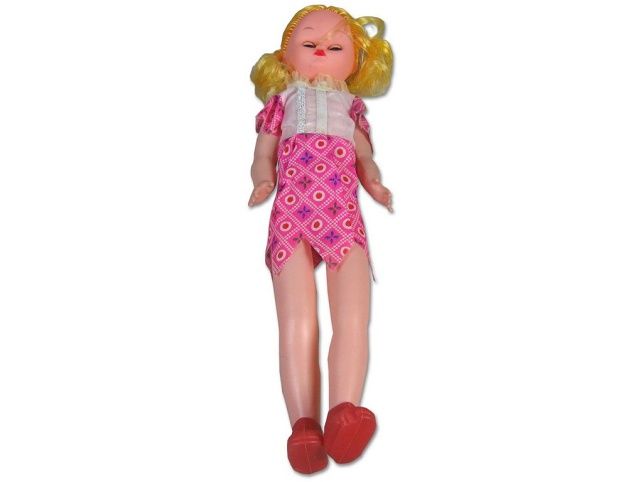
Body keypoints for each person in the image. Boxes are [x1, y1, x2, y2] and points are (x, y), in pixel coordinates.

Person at [248, 5, 394, 473]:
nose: (322, 51)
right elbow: (263, 153)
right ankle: (303, 427)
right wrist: (263, 180)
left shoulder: (352, 109)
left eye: (335, 46)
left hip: (342, 213)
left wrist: (375, 183)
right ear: (285, 56)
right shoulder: (282, 102)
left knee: (352, 315)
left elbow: (365, 158)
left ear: (355, 62)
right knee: (298, 321)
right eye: (309, 43)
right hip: (291, 210)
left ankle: (344, 413)